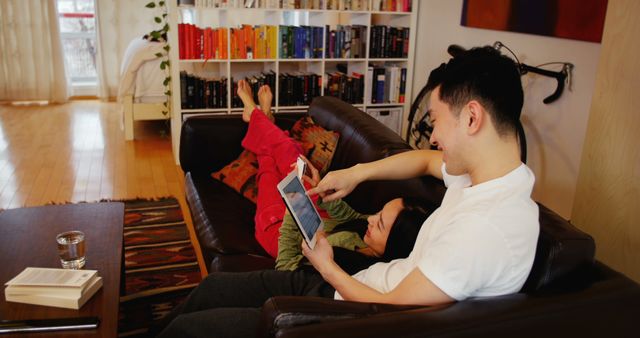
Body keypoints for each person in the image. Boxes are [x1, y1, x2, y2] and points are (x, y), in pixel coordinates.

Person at [157, 46, 540, 337]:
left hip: (346, 313)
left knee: (190, 329)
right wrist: (356, 173)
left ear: (472, 117)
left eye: (437, 121)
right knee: (213, 288)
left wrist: (326, 265)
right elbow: (422, 161)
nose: (434, 136)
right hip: (350, 283)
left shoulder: (487, 228)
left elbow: (391, 310)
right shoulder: (486, 179)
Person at [235, 79, 429, 264]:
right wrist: (321, 190)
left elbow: (287, 266)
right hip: (314, 214)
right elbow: (353, 218)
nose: (371, 218)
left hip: (278, 229)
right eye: (378, 213)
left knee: (268, 167)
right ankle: (260, 117)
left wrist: (290, 214)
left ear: (393, 246)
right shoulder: (371, 227)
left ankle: (258, 116)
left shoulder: (353, 264)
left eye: (379, 224)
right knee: (293, 154)